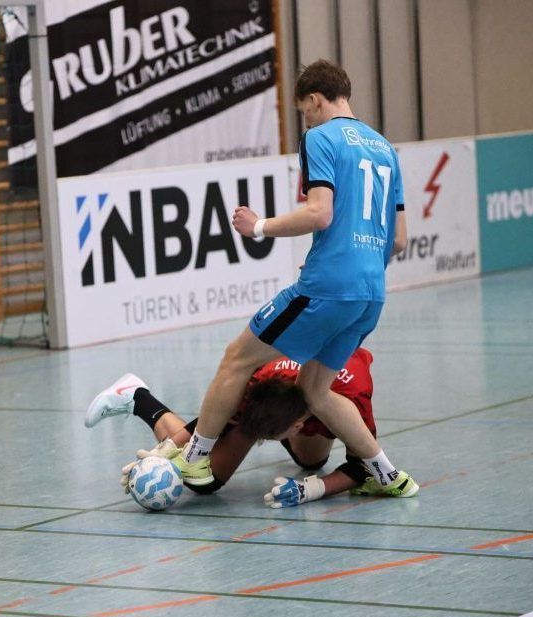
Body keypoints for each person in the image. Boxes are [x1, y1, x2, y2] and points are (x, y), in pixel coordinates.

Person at [173, 59, 417, 499]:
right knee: (314, 389)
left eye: (304, 108)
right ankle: (387, 474)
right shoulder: (385, 149)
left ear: (315, 99)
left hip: (327, 286)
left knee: (237, 358)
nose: (305, 117)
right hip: (370, 294)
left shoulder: (320, 137)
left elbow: (318, 211)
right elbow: (399, 240)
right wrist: (360, 267)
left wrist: (259, 227)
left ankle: (193, 460)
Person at [84, 348, 405, 508]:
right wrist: (162, 457)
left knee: (312, 463)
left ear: (298, 425)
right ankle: (137, 397)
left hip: (327, 396)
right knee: (204, 480)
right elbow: (213, 424)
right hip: (276, 398)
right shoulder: (257, 383)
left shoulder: (353, 401)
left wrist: (312, 490)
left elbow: (363, 467)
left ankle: (300, 452)